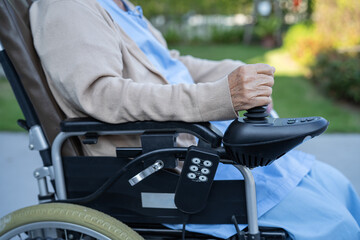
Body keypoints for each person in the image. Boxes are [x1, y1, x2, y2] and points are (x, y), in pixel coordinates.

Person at [29, 0, 360, 239]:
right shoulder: (67, 7)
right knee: (331, 223)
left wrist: (235, 73)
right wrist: (219, 98)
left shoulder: (121, 6)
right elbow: (102, 95)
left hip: (198, 142)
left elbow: (172, 63)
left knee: (337, 186)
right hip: (159, 167)